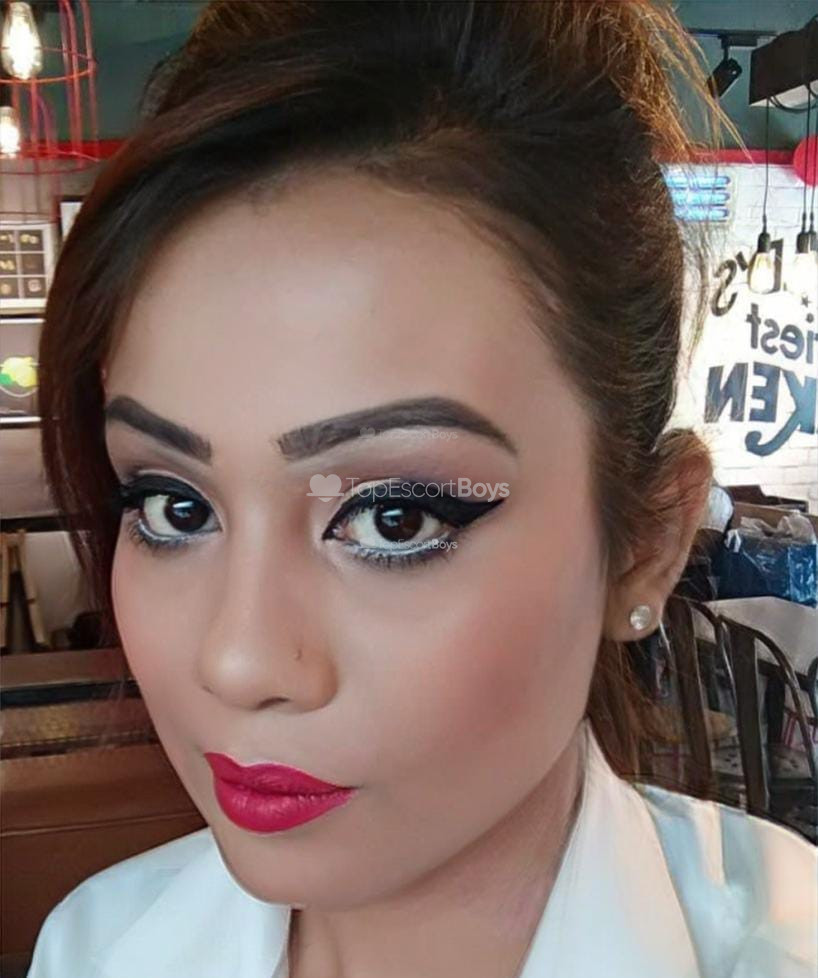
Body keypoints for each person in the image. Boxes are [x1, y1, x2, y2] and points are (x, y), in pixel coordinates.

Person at [26, 2, 817, 976]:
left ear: (643, 545)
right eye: (173, 507)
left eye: (393, 519)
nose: (236, 662)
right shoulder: (97, 948)